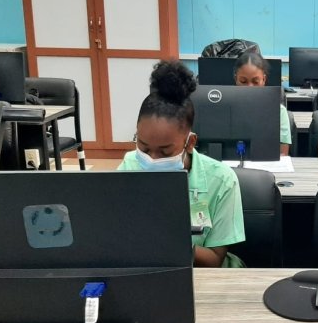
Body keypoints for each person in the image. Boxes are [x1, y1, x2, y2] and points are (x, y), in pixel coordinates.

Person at [118, 60, 245, 268]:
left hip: (203, 274)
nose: (152, 158)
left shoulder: (222, 180)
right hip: (150, 270)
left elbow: (214, 260)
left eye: (165, 151)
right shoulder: (129, 166)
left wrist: (166, 240)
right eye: (144, 147)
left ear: (190, 142)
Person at [234, 52, 292, 156]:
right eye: (243, 81)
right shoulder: (224, 108)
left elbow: (283, 153)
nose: (250, 87)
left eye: (255, 82)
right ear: (236, 79)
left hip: (267, 165)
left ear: (264, 80)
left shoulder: (279, 112)